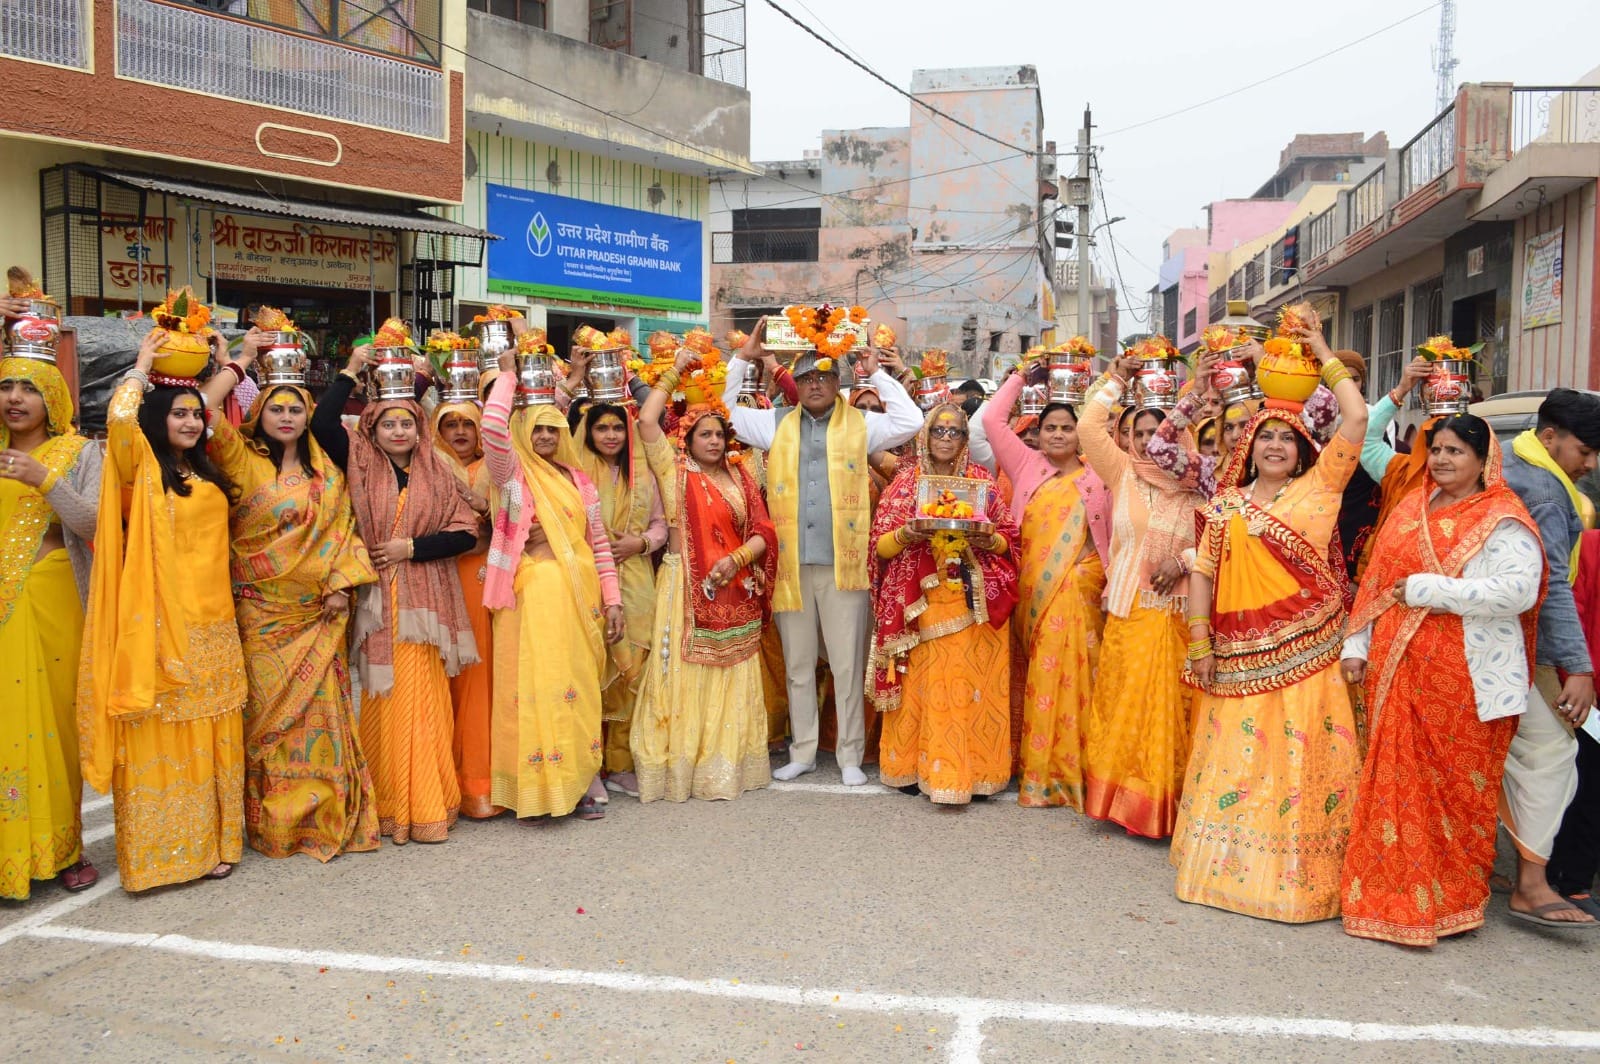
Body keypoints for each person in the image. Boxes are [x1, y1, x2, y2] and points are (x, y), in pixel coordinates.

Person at [1173, 310, 1367, 922]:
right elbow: (1203, 575)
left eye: (1286, 437)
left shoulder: (1321, 490)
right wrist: (1200, 644)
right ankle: (1229, 874)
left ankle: (1302, 882)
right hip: (1235, 656)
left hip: (1311, 657)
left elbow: (1357, 417)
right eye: (1265, 437)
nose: (1276, 445)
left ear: (1303, 448)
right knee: (1240, 762)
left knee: (1300, 763)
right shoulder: (1225, 503)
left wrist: (1322, 352)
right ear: (1249, 447)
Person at [1339, 415, 1544, 944]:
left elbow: (1517, 591)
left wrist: (1432, 589)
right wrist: (1356, 646)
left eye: (1456, 451)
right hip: (1398, 667)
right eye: (1437, 450)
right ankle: (1390, 896)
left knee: (1457, 793)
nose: (1443, 460)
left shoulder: (1503, 517)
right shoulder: (1411, 508)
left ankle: (1451, 900)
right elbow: (1379, 583)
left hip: (1469, 681)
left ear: (1483, 460)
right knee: (1397, 782)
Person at [79, 327, 247, 889]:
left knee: (211, 735)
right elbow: (121, 421)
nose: (191, 422)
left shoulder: (206, 471)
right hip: (161, 624)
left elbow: (222, 414)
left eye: (195, 415)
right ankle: (163, 856)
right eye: (178, 414)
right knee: (166, 736)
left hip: (217, 624)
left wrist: (229, 365)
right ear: (158, 417)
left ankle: (218, 844)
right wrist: (141, 366)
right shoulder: (138, 470)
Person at [201, 334, 381, 860]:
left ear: (307, 418)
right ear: (260, 413)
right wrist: (240, 361)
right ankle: (272, 824)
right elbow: (204, 408)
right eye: (276, 408)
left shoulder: (327, 472)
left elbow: (346, 531)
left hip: (318, 615)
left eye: (295, 410)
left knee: (321, 719)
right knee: (267, 724)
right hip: (259, 614)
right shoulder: (240, 460)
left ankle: (321, 818)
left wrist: (342, 587)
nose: (286, 417)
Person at [722, 318, 922, 785]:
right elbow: (729, 410)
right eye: (807, 377)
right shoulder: (776, 424)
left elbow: (912, 422)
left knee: (848, 662)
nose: (815, 384)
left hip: (844, 567)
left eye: (825, 377)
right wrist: (746, 354)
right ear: (798, 382)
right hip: (792, 566)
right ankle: (804, 750)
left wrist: (878, 374)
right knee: (798, 663)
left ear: (839, 382)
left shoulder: (863, 425)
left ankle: (850, 755)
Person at [311, 346, 480, 844]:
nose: (400, 432)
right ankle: (388, 803)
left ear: (419, 428)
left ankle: (430, 803)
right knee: (386, 703)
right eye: (389, 425)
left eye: (407, 424)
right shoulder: (360, 463)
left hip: (425, 605)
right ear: (373, 430)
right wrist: (350, 369)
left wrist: (410, 547)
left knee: (424, 701)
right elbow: (322, 424)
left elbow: (466, 533)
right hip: (381, 604)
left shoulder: (438, 470)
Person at [481, 356, 625, 821]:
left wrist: (614, 600)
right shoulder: (512, 476)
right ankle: (535, 789)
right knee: (532, 692)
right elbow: (494, 429)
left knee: (576, 690)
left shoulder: (578, 481)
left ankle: (578, 780)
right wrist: (507, 375)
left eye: (552, 430)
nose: (544, 437)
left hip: (579, 603)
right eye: (536, 429)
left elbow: (599, 543)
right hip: (528, 602)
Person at [629, 349, 777, 801]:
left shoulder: (742, 475)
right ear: (688, 439)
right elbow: (648, 420)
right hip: (684, 587)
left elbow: (763, 531)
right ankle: (680, 765)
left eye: (718, 434)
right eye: (703, 434)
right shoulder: (673, 471)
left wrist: (737, 560)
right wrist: (676, 370)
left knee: (732, 673)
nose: (712, 441)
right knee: (684, 673)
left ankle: (725, 764)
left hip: (736, 587)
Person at [1077, 364, 1204, 837]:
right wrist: (1115, 378)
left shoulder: (1198, 480)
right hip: (1130, 610)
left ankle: (1166, 806)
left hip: (1181, 614)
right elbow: (1089, 426)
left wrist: (1187, 559)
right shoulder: (1122, 473)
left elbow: (1224, 535)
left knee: (1172, 714)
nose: (1152, 443)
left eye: (1160, 432)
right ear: (1130, 437)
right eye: (1142, 433)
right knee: (1125, 709)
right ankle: (1124, 804)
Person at [869, 404, 1018, 803]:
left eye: (955, 433)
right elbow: (880, 547)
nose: (946, 439)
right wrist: (910, 532)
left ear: (966, 441)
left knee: (969, 686)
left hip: (974, 601)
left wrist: (988, 539)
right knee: (928, 686)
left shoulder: (982, 481)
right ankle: (914, 770)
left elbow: (1008, 539)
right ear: (925, 436)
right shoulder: (905, 484)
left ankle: (975, 771)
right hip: (921, 603)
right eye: (939, 431)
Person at [1496, 387, 1600, 927]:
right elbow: (1553, 585)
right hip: (1505, 644)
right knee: (1552, 753)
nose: (1589, 463)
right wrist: (1579, 668)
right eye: (1585, 450)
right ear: (1551, 436)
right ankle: (1531, 885)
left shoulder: (1505, 460)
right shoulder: (1544, 491)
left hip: (1474, 637)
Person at [983, 370, 1110, 808]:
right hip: (1031, 594)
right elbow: (993, 422)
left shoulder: (1099, 478)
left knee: (1078, 681)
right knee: (1037, 677)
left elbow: (1105, 541)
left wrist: (1088, 576)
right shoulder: (1026, 465)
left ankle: (1073, 772)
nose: (1058, 434)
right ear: (1037, 434)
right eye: (1050, 427)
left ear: (1081, 434)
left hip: (1079, 594)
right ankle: (1036, 771)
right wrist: (1021, 377)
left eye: (1067, 427)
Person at [0, 350, 101, 897]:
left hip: (55, 601)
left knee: (59, 732)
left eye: (30, 387)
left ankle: (64, 849)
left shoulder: (80, 452)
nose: (15, 398)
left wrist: (43, 479)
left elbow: (93, 521)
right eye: (6, 385)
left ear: (53, 399)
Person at [574, 402, 666, 799]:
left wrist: (640, 542)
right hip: (589, 581)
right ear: (588, 433)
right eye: (601, 429)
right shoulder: (574, 474)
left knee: (635, 673)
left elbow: (662, 524)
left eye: (617, 429)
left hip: (637, 581)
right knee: (591, 671)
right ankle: (589, 764)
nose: (610, 435)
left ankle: (622, 763)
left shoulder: (642, 475)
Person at [431, 397, 499, 818]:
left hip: (482, 579)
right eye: (449, 424)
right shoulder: (430, 470)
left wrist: (485, 511)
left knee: (479, 679)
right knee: (441, 681)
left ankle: (480, 783)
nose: (459, 431)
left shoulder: (496, 469)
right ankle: (441, 781)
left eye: (467, 424)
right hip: (437, 577)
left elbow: (514, 523)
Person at [1551, 527, 1600, 919]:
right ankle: (1571, 879)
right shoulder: (1592, 546)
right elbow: (1574, 612)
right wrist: (1577, 678)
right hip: (1590, 694)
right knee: (1585, 788)